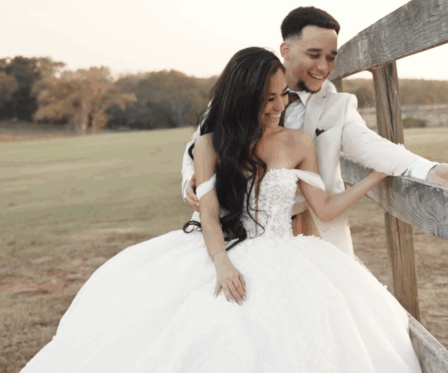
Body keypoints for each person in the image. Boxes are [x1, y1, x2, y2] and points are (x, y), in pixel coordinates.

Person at [21, 47, 423, 373]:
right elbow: (209, 216)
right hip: (226, 247)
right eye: (267, 99)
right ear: (243, 99)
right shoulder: (210, 144)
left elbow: (325, 208)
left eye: (282, 94)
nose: (278, 106)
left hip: (287, 251)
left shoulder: (298, 142)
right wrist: (223, 265)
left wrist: (377, 175)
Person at [181, 6, 448, 257]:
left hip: (309, 234)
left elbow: (369, 144)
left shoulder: (337, 107)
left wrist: (426, 168)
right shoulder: (240, 96)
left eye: (331, 57)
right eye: (314, 54)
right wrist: (190, 183)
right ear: (286, 51)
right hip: (232, 233)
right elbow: (200, 144)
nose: (323, 67)